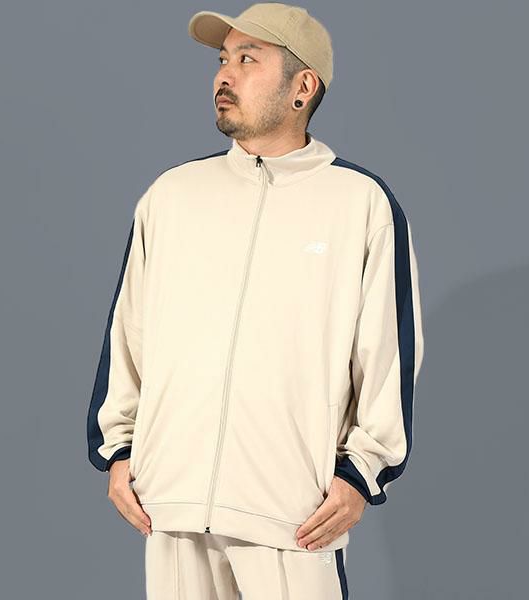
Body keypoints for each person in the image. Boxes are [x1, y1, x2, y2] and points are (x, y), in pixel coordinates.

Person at [86, 3, 425, 599]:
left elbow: (389, 354)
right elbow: (128, 334)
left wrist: (360, 474)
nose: (225, 75)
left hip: (292, 515)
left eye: (248, 60)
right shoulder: (171, 196)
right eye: (223, 60)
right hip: (171, 506)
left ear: (303, 88)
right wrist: (120, 451)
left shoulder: (359, 204)